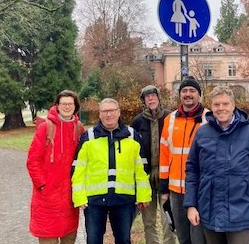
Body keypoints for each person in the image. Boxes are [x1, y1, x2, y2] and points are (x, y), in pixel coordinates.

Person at [184, 86, 249, 244]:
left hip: (241, 213)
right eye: (216, 104)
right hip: (209, 211)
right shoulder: (202, 133)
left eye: (225, 104)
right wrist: (191, 205)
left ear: (233, 105)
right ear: (211, 106)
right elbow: (192, 171)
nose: (221, 108)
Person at [72, 98, 151, 244]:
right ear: (99, 114)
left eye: (112, 111)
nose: (108, 115)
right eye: (104, 111)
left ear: (119, 112)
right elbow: (78, 169)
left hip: (124, 200)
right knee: (94, 241)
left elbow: (141, 168)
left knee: (124, 240)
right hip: (94, 201)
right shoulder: (88, 137)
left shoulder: (132, 135)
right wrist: (79, 197)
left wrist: (143, 195)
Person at [27, 90, 84, 244]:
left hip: (70, 197)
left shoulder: (79, 128)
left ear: (75, 106)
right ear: (57, 106)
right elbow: (33, 160)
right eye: (63, 103)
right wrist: (42, 185)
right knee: (48, 239)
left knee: (69, 238)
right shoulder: (46, 127)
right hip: (47, 198)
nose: (67, 107)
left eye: (70, 104)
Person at [159, 76, 208, 244]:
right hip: (175, 190)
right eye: (184, 91)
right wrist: (164, 186)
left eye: (192, 91)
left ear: (199, 95)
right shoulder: (170, 120)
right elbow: (164, 155)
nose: (188, 94)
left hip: (200, 189)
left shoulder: (209, 118)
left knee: (199, 237)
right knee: (182, 236)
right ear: (180, 95)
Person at [131, 85, 177, 244]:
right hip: (146, 178)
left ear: (159, 97)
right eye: (147, 97)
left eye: (153, 95)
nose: (151, 99)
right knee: (149, 221)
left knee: (168, 219)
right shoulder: (137, 121)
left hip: (167, 178)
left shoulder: (170, 117)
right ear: (143, 100)